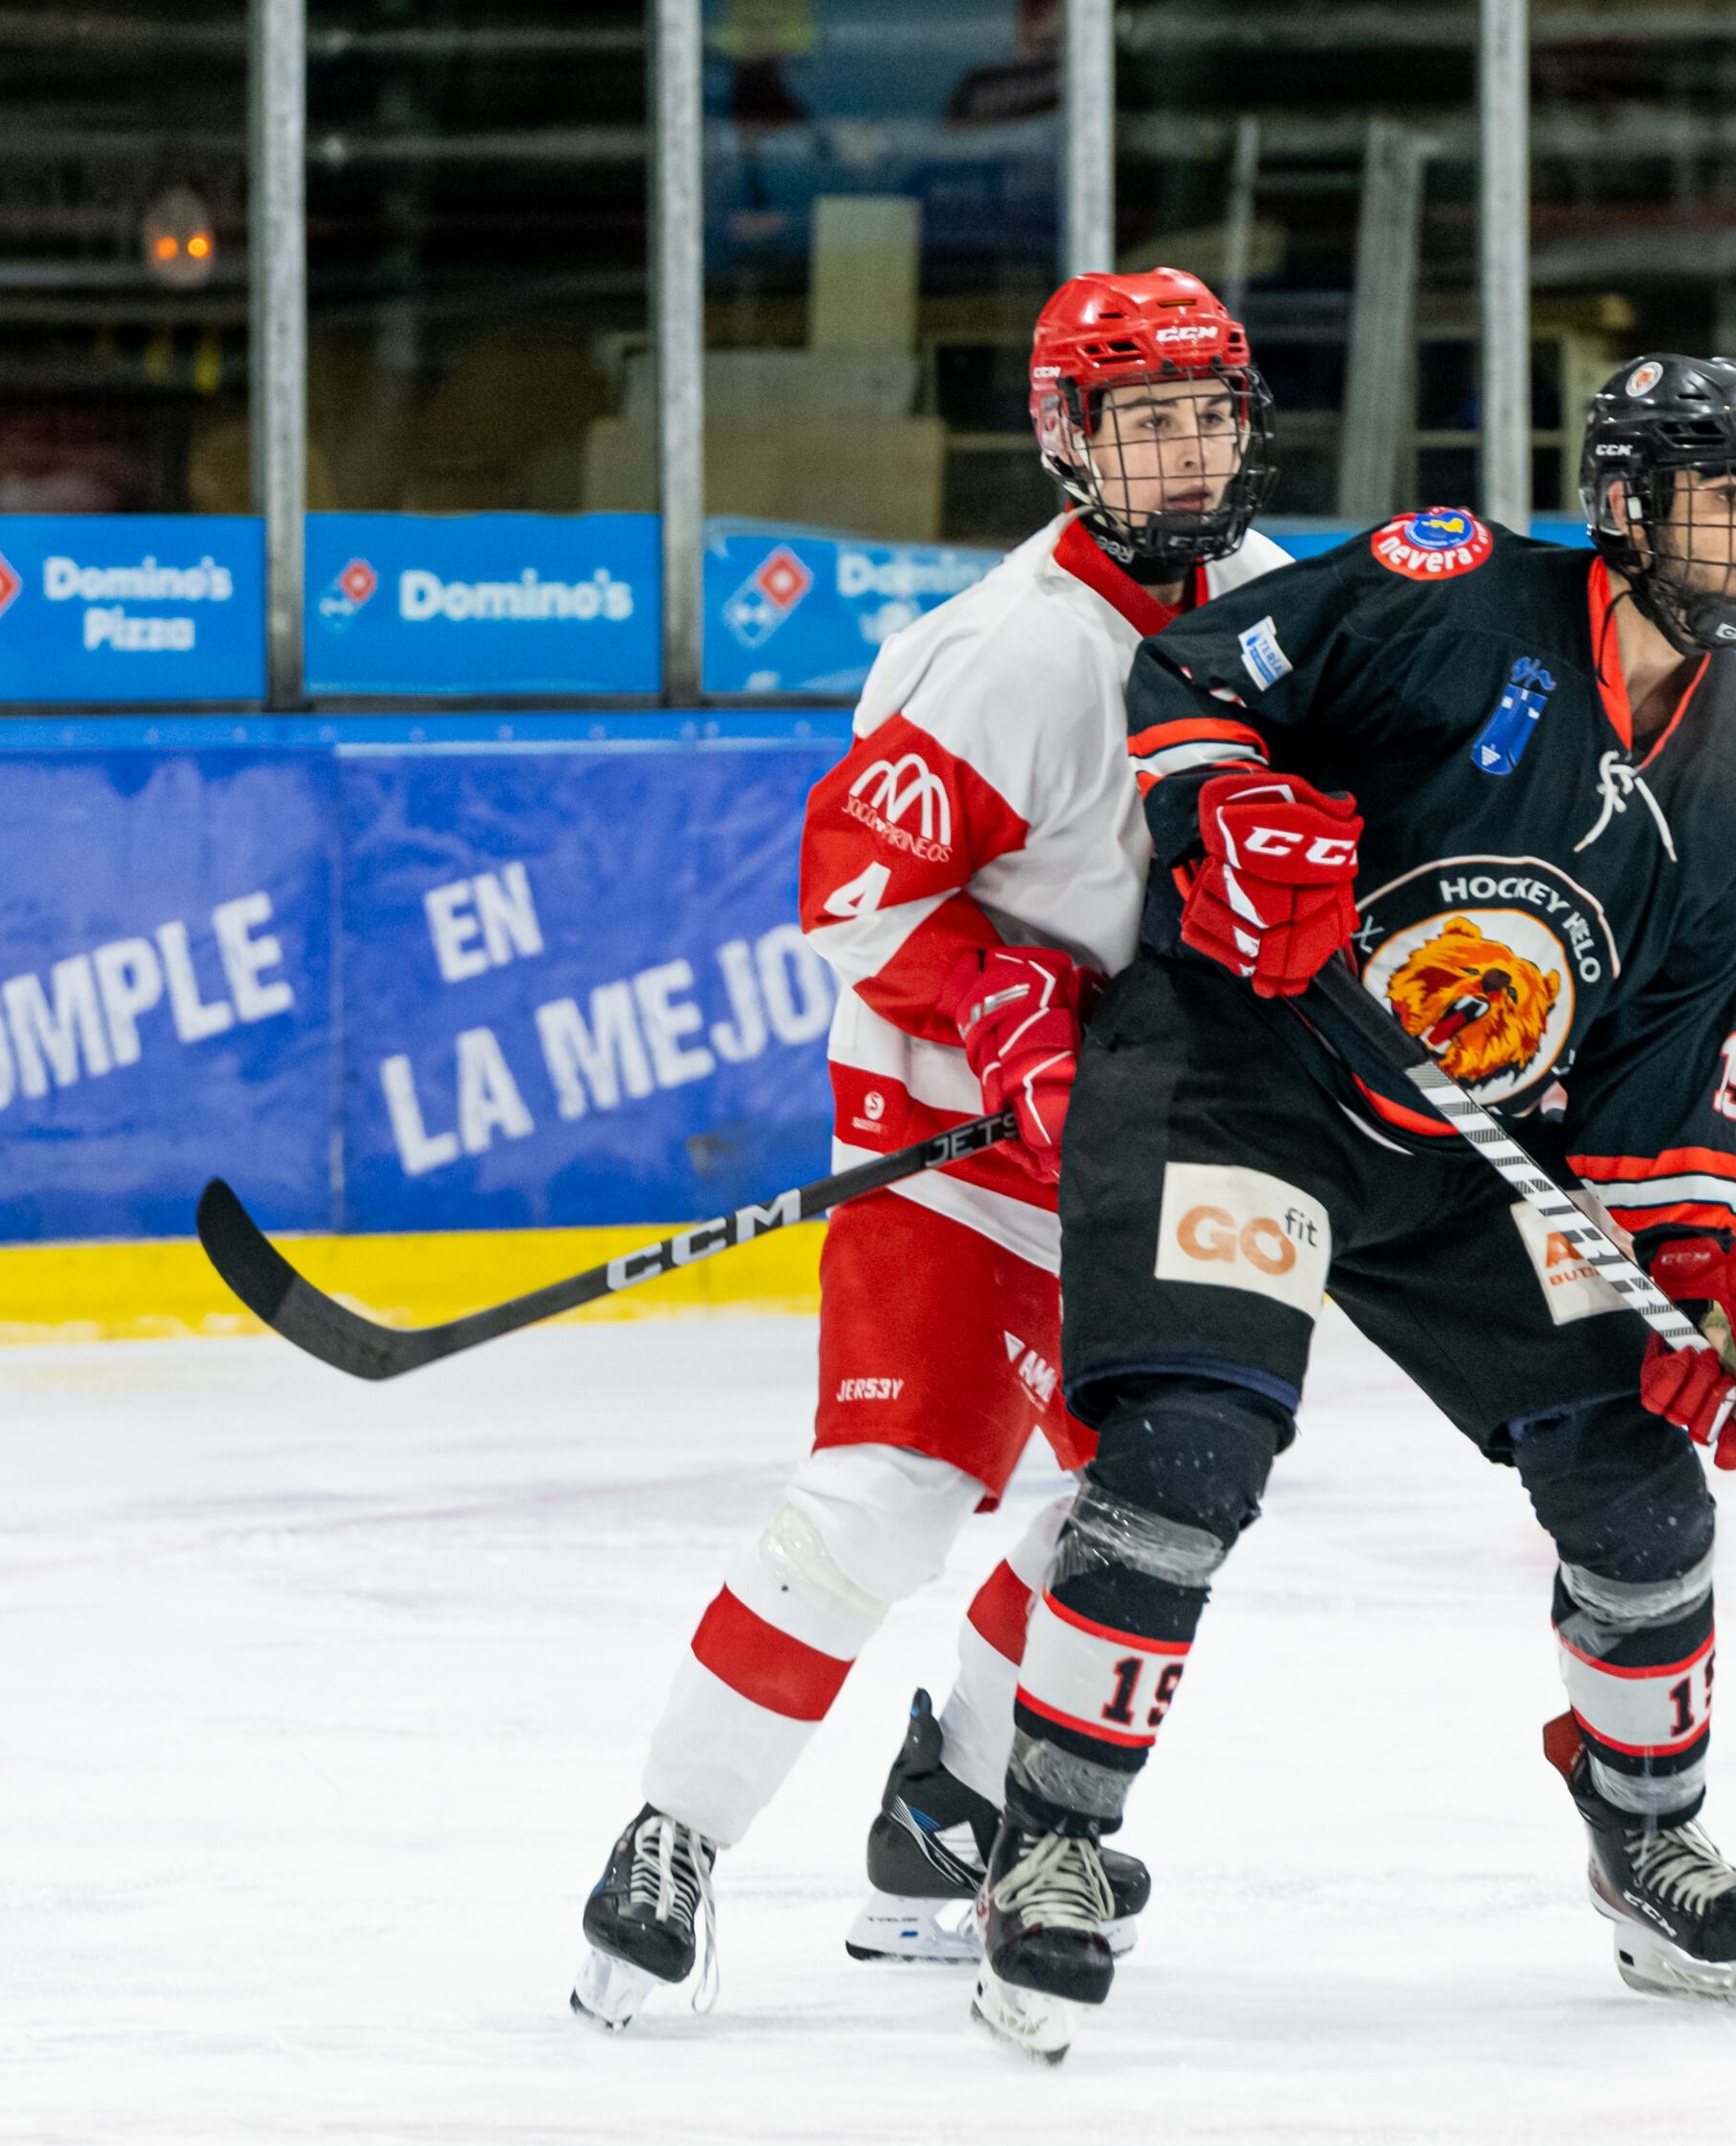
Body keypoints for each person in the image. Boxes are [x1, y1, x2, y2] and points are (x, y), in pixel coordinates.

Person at [958, 355, 1736, 2059]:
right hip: (1246, 1076)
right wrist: (1229, 811)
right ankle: (1049, 1843)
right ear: (1628, 507)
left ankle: (1647, 1833)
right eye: (1721, 499)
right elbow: (1198, 669)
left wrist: (1694, 1271)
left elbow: (1668, 1068)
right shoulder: (1456, 590)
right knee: (1190, 1457)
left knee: (1639, 1485)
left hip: (1471, 1155)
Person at [570, 266, 1292, 2029]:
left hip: (1151, 1153)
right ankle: (671, 1835)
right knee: (884, 1507)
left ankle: (945, 1816)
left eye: (1210, 412)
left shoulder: (1281, 611)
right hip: (958, 1140)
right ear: (1068, 440)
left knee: (1134, 1515)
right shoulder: (1010, 650)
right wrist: (1002, 997)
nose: (1188, 453)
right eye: (1146, 421)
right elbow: (854, 882)